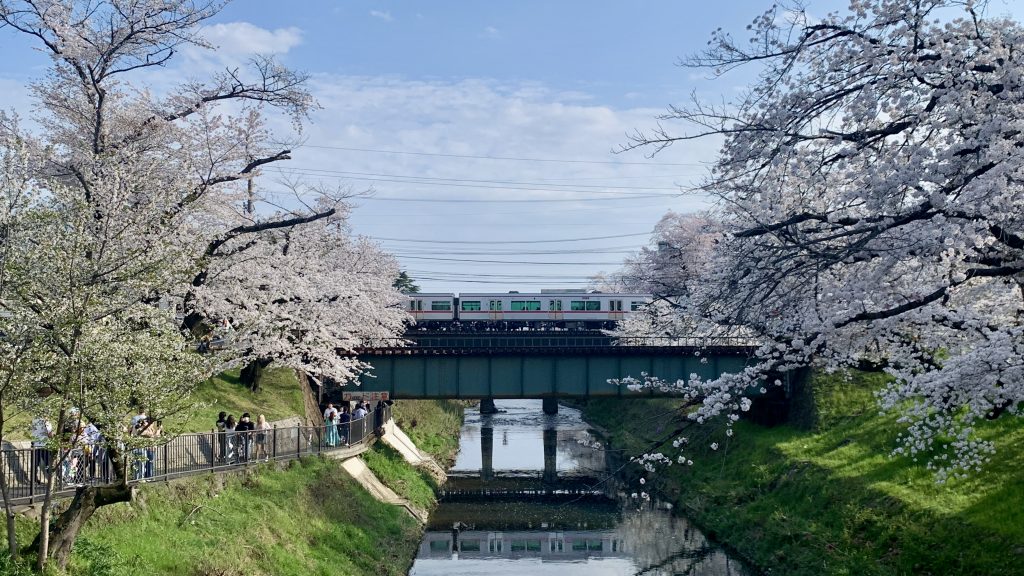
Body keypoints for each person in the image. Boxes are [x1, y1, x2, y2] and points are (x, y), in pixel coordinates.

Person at [30, 417, 52, 483]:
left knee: (34, 464)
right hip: (45, 445)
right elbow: (50, 434)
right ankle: (51, 480)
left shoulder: (34, 420)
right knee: (48, 463)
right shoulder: (47, 422)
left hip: (35, 445)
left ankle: (33, 479)